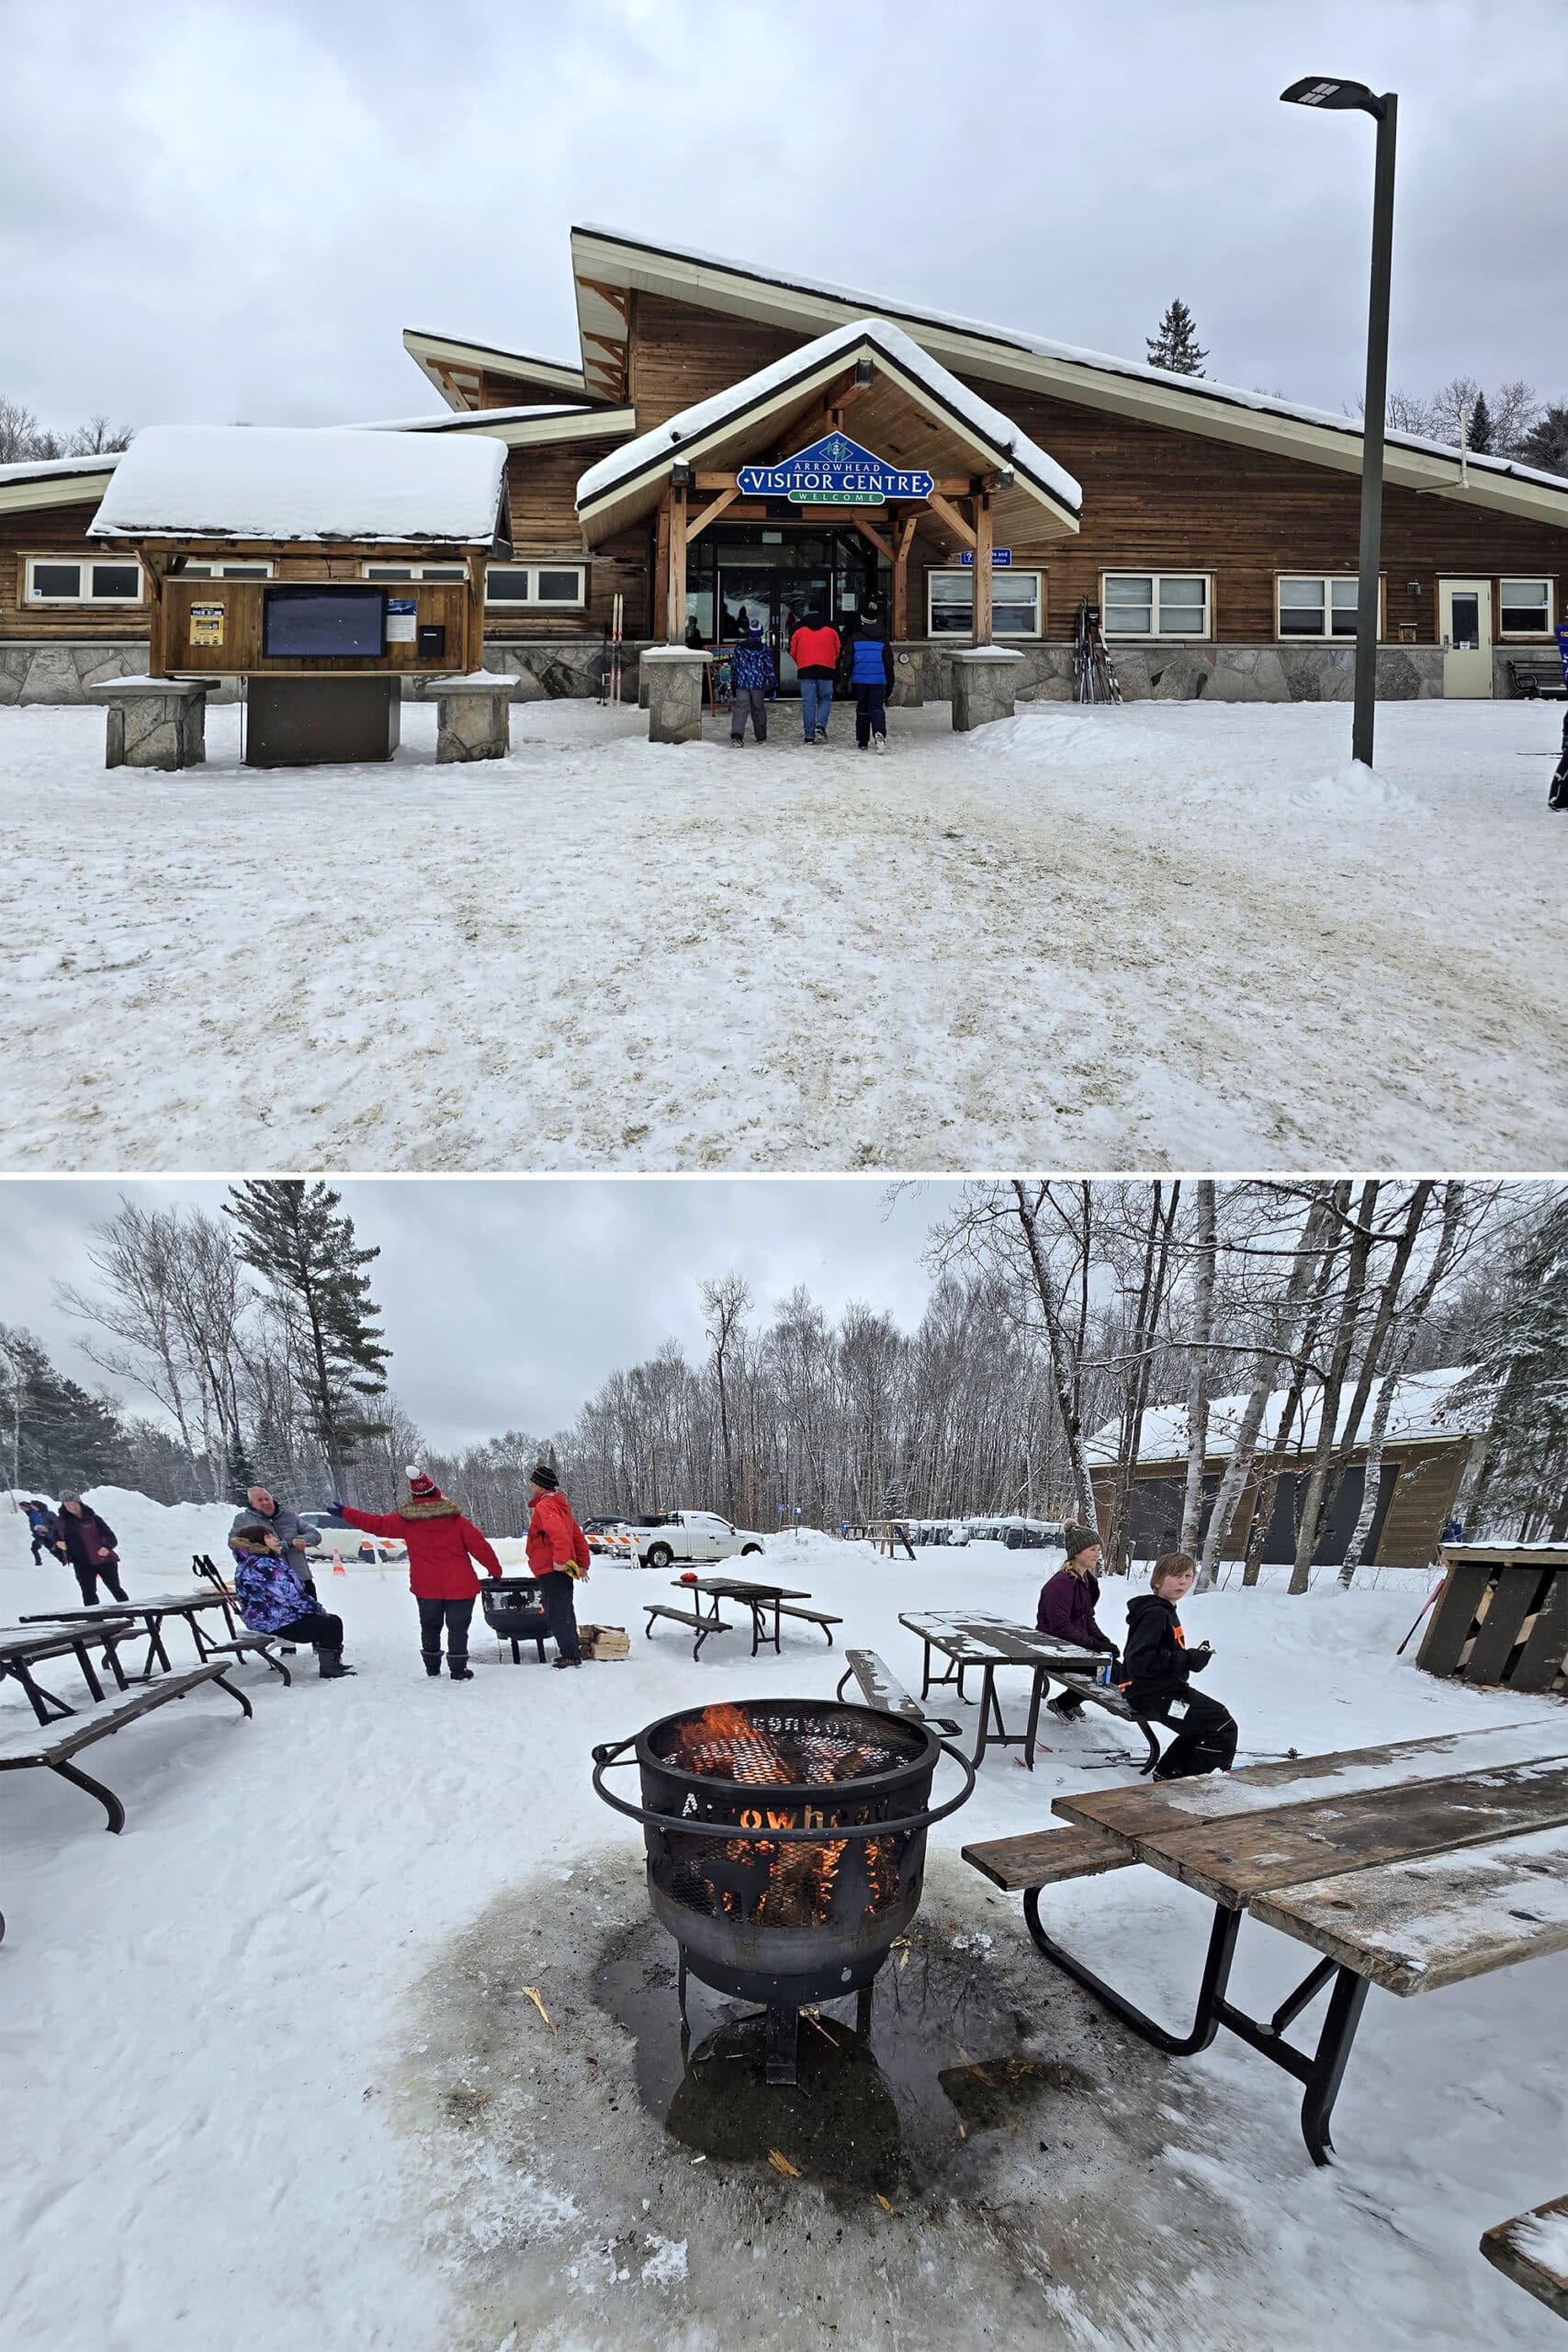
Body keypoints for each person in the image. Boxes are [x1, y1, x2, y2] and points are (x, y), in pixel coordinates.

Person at [332, 1466, 501, 1680]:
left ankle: (432, 1668)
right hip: (461, 1586)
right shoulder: (457, 1522)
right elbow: (480, 1547)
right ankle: (458, 1670)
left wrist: (346, 1513)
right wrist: (495, 1571)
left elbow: (375, 1523)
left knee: (430, 1626)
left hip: (426, 1586)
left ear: (414, 1497)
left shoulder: (406, 1522)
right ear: (436, 1493)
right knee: (458, 1628)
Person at [1121, 1551, 1237, 1781]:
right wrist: (1188, 1659)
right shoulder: (1155, 1614)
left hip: (1159, 1692)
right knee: (1221, 1724)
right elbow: (1141, 1659)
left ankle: (1169, 1773)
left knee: (1207, 1721)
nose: (1183, 1581)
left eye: (1188, 1576)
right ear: (1157, 1581)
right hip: (1154, 1695)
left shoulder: (1163, 1610)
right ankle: (1198, 1783)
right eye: (1175, 1576)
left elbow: (1162, 1655)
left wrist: (1193, 1657)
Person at [230, 1525, 355, 1677]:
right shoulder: (261, 1565)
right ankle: (330, 1669)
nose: (275, 1539)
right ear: (257, 1542)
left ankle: (333, 1664)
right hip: (273, 1621)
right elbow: (289, 1595)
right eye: (269, 1537)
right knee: (331, 1624)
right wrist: (318, 1610)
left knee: (330, 1622)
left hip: (274, 1617)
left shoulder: (259, 1561)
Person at [1036, 1521, 1119, 1721]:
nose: (1097, 1554)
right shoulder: (1060, 1584)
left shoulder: (1088, 1581)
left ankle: (1069, 1702)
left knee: (1111, 1666)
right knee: (1111, 1670)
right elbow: (1060, 1627)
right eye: (1092, 1549)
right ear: (1077, 1552)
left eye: (1098, 1549)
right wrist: (1093, 1645)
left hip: (1074, 1647)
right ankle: (1064, 1703)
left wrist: (1104, 1641)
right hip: (1053, 1649)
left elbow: (1087, 1618)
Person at [525, 1464, 591, 1668]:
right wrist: (582, 1564)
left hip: (552, 1568)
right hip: (559, 1568)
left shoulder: (546, 1506)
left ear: (540, 1485)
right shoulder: (561, 1506)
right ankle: (571, 1649)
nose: (530, 1486)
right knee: (565, 1609)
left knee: (558, 1612)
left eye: (532, 1482)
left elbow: (561, 1535)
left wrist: (560, 1561)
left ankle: (570, 1655)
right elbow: (577, 1536)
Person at [229, 1485, 320, 1597]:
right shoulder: (243, 1520)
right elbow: (235, 1544)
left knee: (314, 1612)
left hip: (302, 1577)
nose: (265, 1503)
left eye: (267, 1499)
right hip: (271, 1582)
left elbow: (315, 1535)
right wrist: (277, 1547)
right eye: (260, 1500)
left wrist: (303, 1539)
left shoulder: (289, 1516)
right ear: (252, 1504)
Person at [52, 1496, 129, 1604]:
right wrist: (58, 1543)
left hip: (104, 1560)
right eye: (67, 1505)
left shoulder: (93, 1518)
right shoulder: (61, 1522)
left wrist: (106, 1547)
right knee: (88, 1593)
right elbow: (54, 1538)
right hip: (81, 1563)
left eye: (74, 1504)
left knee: (115, 1588)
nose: (72, 1507)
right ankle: (94, 1619)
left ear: (79, 1503)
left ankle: (129, 1614)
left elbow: (111, 1537)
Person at [842, 597, 895, 752]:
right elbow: (889, 663)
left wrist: (845, 678)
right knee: (877, 708)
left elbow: (848, 660)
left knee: (862, 709)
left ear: (862, 620)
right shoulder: (883, 639)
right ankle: (879, 733)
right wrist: (890, 682)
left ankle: (862, 740)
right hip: (879, 680)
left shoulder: (855, 638)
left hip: (860, 679)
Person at [789, 606, 840, 743]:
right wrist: (830, 660)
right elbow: (837, 649)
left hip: (806, 670)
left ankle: (809, 736)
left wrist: (801, 662)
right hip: (826, 670)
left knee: (809, 703)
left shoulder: (798, 629)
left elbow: (793, 650)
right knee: (825, 699)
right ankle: (820, 725)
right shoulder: (832, 628)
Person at [729, 619, 775, 746]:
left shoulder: (739, 649)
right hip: (758, 683)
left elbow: (734, 667)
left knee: (740, 708)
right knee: (758, 709)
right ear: (760, 633)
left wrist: (734, 682)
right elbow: (769, 669)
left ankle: (737, 735)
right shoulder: (764, 650)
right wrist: (773, 685)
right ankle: (761, 736)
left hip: (742, 682)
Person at [24, 1499, 59, 1565]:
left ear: (37, 1506)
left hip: (51, 1536)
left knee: (54, 1551)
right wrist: (35, 1530)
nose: (31, 1507)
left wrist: (48, 1529)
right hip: (40, 1536)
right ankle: (38, 1562)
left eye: (33, 1505)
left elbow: (57, 1524)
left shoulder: (49, 1514)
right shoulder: (34, 1514)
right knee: (34, 1548)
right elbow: (32, 1524)